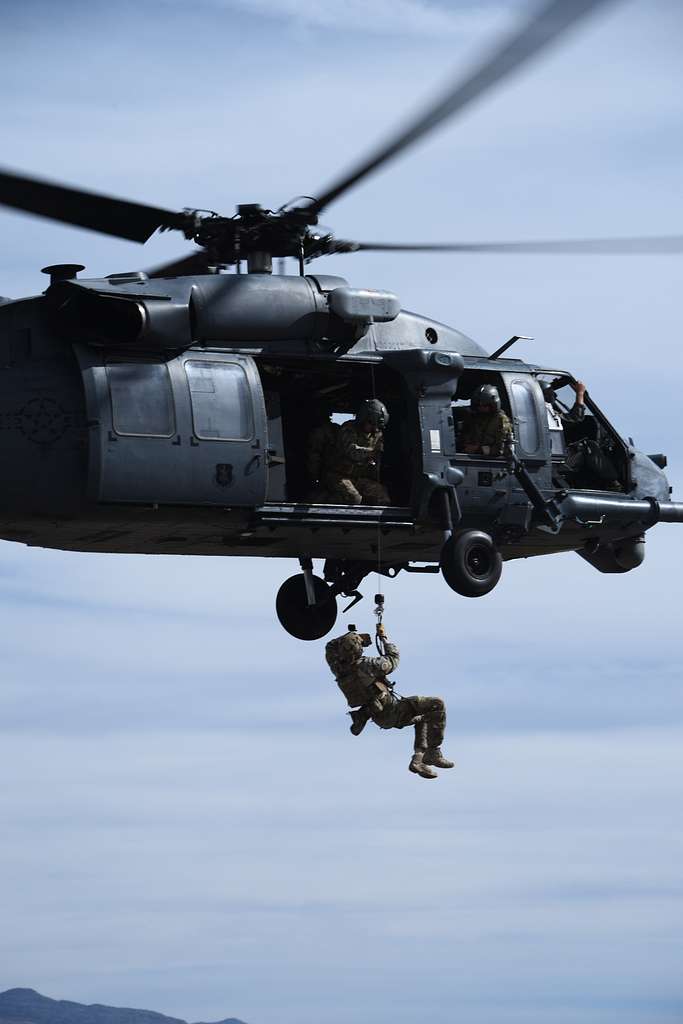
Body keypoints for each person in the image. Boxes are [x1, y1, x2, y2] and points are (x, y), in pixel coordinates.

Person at [325, 623, 453, 780]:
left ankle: (419, 759)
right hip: (393, 709)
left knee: (422, 720)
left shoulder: (338, 668)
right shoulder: (366, 665)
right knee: (436, 704)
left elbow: (330, 646)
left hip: (380, 718)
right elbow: (393, 659)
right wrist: (384, 638)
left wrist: (354, 637)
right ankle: (433, 752)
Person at [325, 399, 391, 506]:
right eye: (371, 423)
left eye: (376, 425)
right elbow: (351, 451)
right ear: (363, 418)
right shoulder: (348, 428)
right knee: (353, 498)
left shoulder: (377, 434)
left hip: (358, 478)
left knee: (382, 497)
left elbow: (377, 460)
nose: (374, 428)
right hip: (338, 475)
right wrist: (371, 453)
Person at [456, 384, 513, 457]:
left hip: (490, 462)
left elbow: (501, 449)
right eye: (478, 405)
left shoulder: (501, 421)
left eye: (485, 405)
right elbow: (463, 438)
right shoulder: (472, 418)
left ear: (493, 404)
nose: (481, 408)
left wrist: (478, 449)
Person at [305, 404, 339, 500]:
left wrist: (314, 478)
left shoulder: (319, 432)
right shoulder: (337, 429)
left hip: (328, 475)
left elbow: (314, 458)